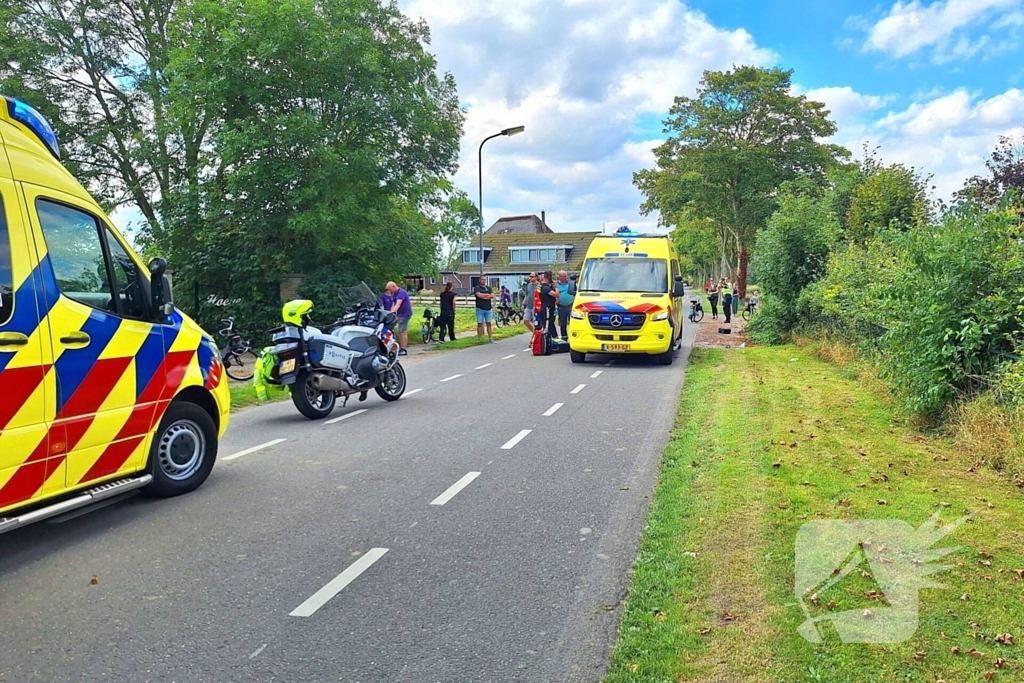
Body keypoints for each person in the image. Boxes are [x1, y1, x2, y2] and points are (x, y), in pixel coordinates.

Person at [385, 281, 413, 355]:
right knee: (394, 330)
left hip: (405, 314)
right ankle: (394, 347)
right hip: (399, 314)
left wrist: (392, 313)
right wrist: (390, 313)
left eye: (390, 289)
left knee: (402, 331)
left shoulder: (401, 293)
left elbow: (398, 304)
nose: (389, 291)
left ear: (394, 286)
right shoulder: (394, 294)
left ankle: (403, 349)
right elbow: (393, 304)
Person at [473, 275, 495, 343]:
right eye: (482, 279)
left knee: (489, 323)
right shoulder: (477, 288)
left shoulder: (489, 288)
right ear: (480, 280)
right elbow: (478, 295)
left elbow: (492, 296)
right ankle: (479, 338)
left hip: (488, 308)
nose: (484, 281)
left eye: (485, 280)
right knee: (479, 323)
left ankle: (490, 338)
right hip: (480, 309)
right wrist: (487, 295)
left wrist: (483, 296)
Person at [537, 271, 558, 339]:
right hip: (547, 308)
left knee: (551, 322)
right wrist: (556, 286)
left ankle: (554, 336)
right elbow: (557, 295)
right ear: (548, 278)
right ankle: (546, 338)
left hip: (545, 307)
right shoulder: (545, 288)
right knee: (547, 323)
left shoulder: (540, 286)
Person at [556, 270, 573, 339]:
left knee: (573, 322)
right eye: (564, 276)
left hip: (571, 306)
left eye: (566, 276)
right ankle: (564, 337)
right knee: (563, 324)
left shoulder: (570, 283)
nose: (566, 277)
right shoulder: (556, 285)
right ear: (560, 277)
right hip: (561, 307)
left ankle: (573, 337)